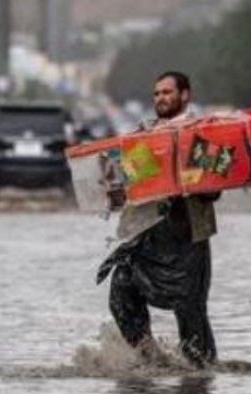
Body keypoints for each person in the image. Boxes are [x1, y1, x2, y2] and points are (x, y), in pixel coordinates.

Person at [96, 71, 220, 368]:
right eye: (157, 94)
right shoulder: (143, 136)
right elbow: (125, 185)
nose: (161, 98)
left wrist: (189, 178)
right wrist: (112, 180)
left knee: (190, 312)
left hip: (188, 238)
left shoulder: (202, 133)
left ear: (184, 95)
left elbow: (215, 188)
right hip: (147, 235)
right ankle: (148, 358)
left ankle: (202, 374)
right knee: (121, 288)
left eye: (167, 92)